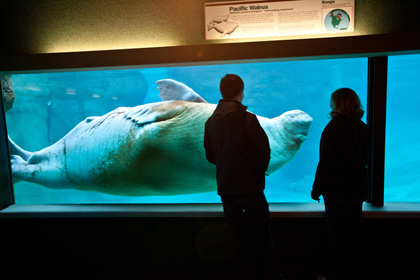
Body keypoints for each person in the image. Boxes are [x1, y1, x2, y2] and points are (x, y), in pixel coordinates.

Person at [204, 74, 282, 280]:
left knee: (234, 237)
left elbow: (210, 155)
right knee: (263, 236)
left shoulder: (211, 122)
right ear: (241, 92)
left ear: (222, 93)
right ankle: (270, 275)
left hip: (227, 189)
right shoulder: (249, 119)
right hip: (251, 189)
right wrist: (256, 173)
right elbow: (263, 151)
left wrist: (226, 165)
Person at [311, 88, 369, 280]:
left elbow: (325, 161)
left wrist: (316, 188)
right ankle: (353, 272)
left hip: (336, 191)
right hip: (357, 190)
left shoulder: (333, 127)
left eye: (332, 100)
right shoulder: (362, 127)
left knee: (337, 236)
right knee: (353, 234)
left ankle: (335, 274)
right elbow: (368, 158)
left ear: (337, 104)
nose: (329, 103)